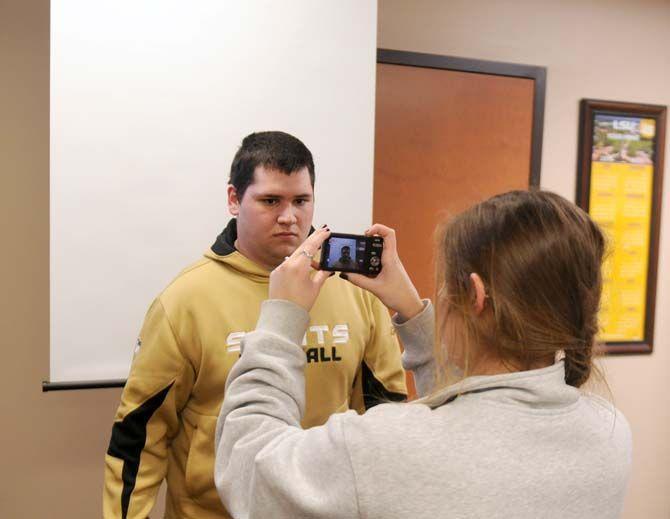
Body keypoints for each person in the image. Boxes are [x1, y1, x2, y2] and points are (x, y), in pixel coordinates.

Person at [215, 190, 632, 519]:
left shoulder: (383, 446)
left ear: (475, 295)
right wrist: (412, 311)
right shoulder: (609, 429)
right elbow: (469, 422)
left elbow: (248, 469)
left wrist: (281, 322)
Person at [103, 131, 407, 519]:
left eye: (301, 200)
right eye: (270, 201)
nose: (289, 217)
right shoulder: (184, 301)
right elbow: (138, 439)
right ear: (234, 199)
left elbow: (387, 414)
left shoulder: (355, 290)